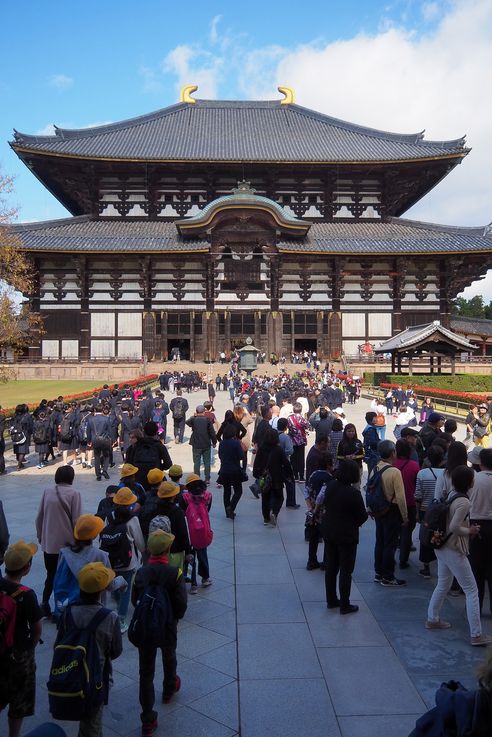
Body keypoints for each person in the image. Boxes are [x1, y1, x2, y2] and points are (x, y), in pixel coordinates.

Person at [426, 465, 492, 646]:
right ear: (469, 482)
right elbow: (455, 527)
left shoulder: (452, 494)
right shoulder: (464, 502)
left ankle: (433, 618)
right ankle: (476, 634)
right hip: (454, 548)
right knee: (471, 590)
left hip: (441, 545)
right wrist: (470, 530)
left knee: (443, 583)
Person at [55, 562, 122, 735]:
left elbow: (58, 643)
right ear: (101, 591)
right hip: (96, 677)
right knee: (92, 723)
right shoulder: (110, 618)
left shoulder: (67, 613)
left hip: (70, 673)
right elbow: (116, 651)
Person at [131, 530, 188, 735]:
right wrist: (174, 617)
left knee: (145, 672)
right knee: (169, 655)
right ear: (168, 549)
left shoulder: (141, 572)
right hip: (167, 625)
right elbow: (181, 604)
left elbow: (134, 600)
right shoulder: (175, 573)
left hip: (146, 625)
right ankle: (169, 686)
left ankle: (148, 718)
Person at [0, 541, 42, 737]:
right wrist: (29, 649)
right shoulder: (27, 595)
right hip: (18, 655)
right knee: (19, 701)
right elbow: (36, 629)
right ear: (26, 568)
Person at [321, 460, 368, 614]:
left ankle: (331, 599)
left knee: (331, 568)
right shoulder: (353, 493)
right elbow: (362, 516)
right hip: (347, 535)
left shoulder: (330, 486)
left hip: (330, 531)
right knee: (346, 570)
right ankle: (345, 604)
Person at [35, 465, 82, 618]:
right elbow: (77, 521)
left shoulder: (47, 491)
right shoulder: (74, 494)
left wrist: (41, 536)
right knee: (66, 577)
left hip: (49, 544)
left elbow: (39, 517)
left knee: (51, 575)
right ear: (71, 477)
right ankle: (61, 609)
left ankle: (44, 603)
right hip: (67, 544)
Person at [104, 487, 146, 633]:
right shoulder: (132, 519)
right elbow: (139, 540)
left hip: (110, 558)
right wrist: (143, 553)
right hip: (128, 560)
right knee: (126, 589)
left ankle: (115, 601)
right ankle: (121, 619)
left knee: (114, 582)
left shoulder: (109, 516)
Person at [372, 440, 408, 587]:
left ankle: (378, 572)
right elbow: (400, 497)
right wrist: (405, 517)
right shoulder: (394, 472)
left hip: (379, 509)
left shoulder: (375, 468)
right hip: (391, 510)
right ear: (393, 453)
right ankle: (388, 576)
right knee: (390, 544)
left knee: (380, 541)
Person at [415, 445, 445, 579]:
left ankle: (426, 567)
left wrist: (417, 513)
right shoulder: (446, 474)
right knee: (441, 534)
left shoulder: (422, 473)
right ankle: (442, 564)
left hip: (425, 510)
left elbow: (418, 495)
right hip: (441, 511)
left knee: (425, 537)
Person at [469, 448, 492, 616]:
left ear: (480, 462)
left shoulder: (473, 480)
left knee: (476, 569)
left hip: (475, 526)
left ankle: (475, 607)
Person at [182, 476, 213, 593]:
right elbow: (207, 510)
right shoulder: (208, 496)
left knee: (190, 556)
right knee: (203, 554)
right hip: (203, 531)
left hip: (190, 532)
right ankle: (205, 578)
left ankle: (193, 584)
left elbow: (183, 513)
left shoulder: (184, 498)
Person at [394, 440, 420, 570]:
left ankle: (389, 556)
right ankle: (403, 560)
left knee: (391, 532)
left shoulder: (392, 465)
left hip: (393, 503)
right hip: (409, 502)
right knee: (407, 532)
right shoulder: (414, 466)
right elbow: (417, 486)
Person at [126, 421, 172, 491]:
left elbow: (128, 464)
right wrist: (158, 467)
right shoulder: (159, 446)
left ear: (144, 431)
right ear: (156, 432)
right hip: (155, 479)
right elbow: (168, 464)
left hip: (138, 479)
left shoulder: (135, 446)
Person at [217, 424, 244, 519]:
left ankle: (227, 511)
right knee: (238, 491)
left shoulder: (222, 443)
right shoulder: (236, 443)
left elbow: (220, 456)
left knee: (227, 491)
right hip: (234, 470)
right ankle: (231, 508)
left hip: (224, 470)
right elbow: (241, 456)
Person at [186, 405, 217, 484]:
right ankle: (207, 478)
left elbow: (187, 422)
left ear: (196, 412)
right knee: (207, 462)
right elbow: (212, 432)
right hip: (206, 443)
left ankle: (196, 478)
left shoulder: (194, 419)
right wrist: (214, 442)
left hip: (196, 444)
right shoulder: (207, 420)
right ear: (204, 412)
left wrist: (193, 416)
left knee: (196, 462)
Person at [87, 404, 112, 481]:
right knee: (106, 456)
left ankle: (98, 475)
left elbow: (88, 431)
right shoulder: (106, 419)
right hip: (104, 439)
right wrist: (112, 439)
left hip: (95, 439)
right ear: (102, 410)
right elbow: (110, 430)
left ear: (95, 410)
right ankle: (104, 470)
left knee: (97, 457)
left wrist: (89, 440)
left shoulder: (91, 419)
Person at [288, 402, 310, 482]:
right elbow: (307, 426)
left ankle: (295, 476)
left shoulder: (289, 418)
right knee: (300, 458)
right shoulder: (302, 418)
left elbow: (288, 427)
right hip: (301, 441)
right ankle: (301, 476)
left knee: (293, 458)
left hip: (292, 440)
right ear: (301, 410)